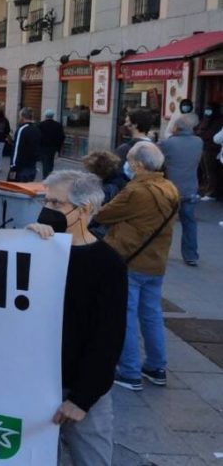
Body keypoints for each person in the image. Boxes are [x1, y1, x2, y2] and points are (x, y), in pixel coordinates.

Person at [25, 170, 127, 466]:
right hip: (34, 385)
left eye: (56, 204)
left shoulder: (107, 264)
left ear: (84, 210)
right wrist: (24, 244)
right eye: (45, 202)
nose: (47, 210)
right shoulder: (36, 250)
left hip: (80, 391)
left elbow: (108, 337)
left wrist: (82, 399)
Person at [95, 142, 179, 392]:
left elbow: (103, 215)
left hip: (130, 259)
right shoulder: (170, 188)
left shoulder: (136, 191)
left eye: (130, 162)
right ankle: (156, 366)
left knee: (126, 315)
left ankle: (130, 371)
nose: (127, 166)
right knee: (151, 314)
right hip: (156, 261)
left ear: (138, 165)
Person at [159, 113, 203, 266]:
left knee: (165, 223)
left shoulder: (169, 143)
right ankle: (191, 255)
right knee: (189, 223)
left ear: (176, 127)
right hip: (190, 188)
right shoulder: (198, 142)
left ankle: (160, 252)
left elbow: (157, 157)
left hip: (171, 189)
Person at [196, 103, 223, 200]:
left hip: (212, 150)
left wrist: (201, 135)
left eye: (210, 109)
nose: (207, 111)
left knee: (211, 172)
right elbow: (198, 131)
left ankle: (211, 192)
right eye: (206, 109)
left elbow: (213, 136)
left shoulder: (218, 121)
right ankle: (204, 189)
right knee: (203, 170)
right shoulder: (205, 119)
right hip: (203, 148)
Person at [10, 107, 42, 182]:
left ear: (22, 117)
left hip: (20, 168)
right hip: (32, 167)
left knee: (14, 190)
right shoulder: (36, 130)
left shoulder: (22, 130)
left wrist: (13, 167)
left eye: (19, 116)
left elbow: (16, 149)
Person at [38, 109, 66, 178]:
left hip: (43, 147)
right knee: (50, 162)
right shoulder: (58, 125)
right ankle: (49, 175)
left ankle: (46, 177)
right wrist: (58, 148)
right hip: (53, 148)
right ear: (53, 116)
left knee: (45, 163)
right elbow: (62, 137)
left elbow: (37, 137)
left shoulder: (41, 125)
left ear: (45, 116)